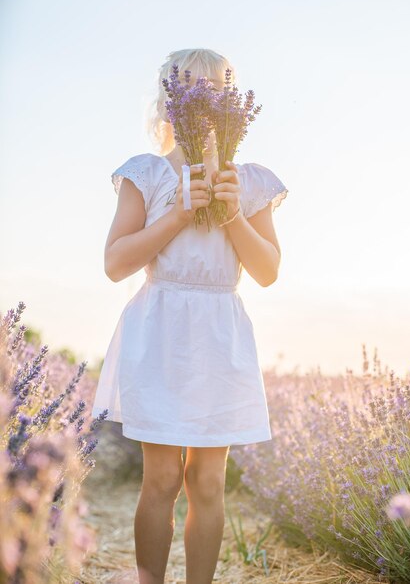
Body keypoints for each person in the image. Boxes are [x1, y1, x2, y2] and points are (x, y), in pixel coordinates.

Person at [91, 48, 289, 584]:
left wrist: (232, 217)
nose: (206, 106)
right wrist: (180, 213)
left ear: (232, 104)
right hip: (161, 334)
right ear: (170, 104)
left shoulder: (249, 181)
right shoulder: (147, 173)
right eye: (192, 93)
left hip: (219, 336)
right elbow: (115, 263)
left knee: (208, 482)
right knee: (160, 480)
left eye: (219, 93)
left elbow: (267, 270)